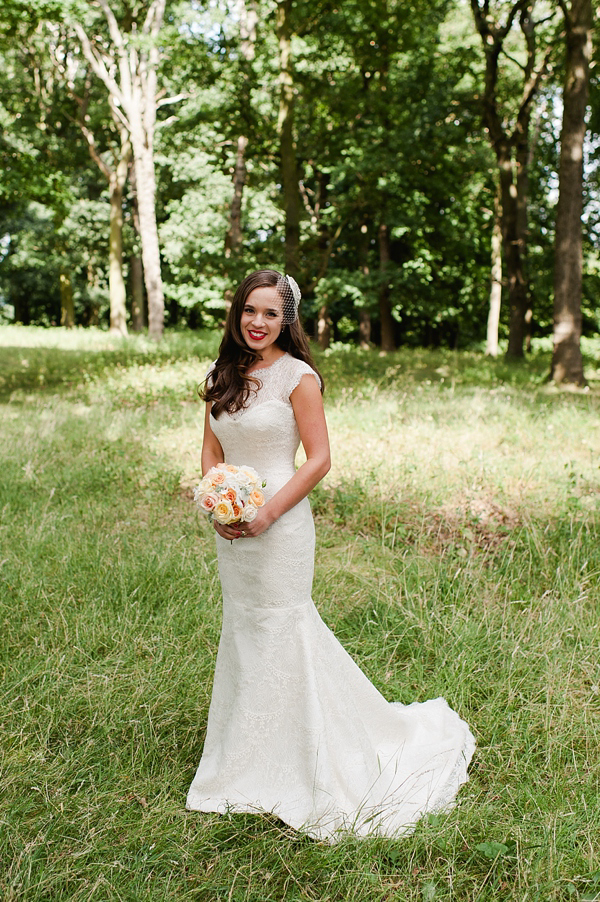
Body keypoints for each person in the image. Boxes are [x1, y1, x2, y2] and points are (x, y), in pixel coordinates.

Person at [186, 269, 475, 842]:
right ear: (236, 314)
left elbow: (318, 459)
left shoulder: (300, 377)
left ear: (287, 321)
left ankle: (309, 762)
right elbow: (211, 446)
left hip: (282, 522)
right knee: (244, 630)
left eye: (271, 313)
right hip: (233, 527)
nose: (258, 322)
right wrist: (219, 501)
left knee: (283, 628)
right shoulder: (224, 374)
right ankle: (244, 761)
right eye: (250, 310)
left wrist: (266, 512)